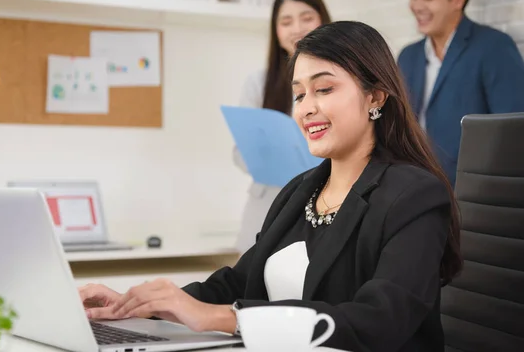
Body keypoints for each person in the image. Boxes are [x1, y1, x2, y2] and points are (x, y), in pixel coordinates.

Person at [78, 21, 463, 352]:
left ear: (375, 96)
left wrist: (223, 318)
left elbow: (379, 320)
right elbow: (239, 281)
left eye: (324, 89)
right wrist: (138, 306)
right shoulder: (300, 191)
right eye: (298, 94)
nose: (306, 107)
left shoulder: (414, 195)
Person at [398, 0, 524, 187]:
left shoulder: (493, 47)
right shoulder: (408, 56)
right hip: (414, 190)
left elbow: (514, 132)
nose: (417, 6)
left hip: (473, 193)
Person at [234, 0, 331, 253]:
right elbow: (240, 154)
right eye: (286, 21)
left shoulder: (341, 80)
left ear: (324, 20)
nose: (297, 28)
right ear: (275, 31)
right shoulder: (259, 83)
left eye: (307, 18)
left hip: (323, 200)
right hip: (268, 202)